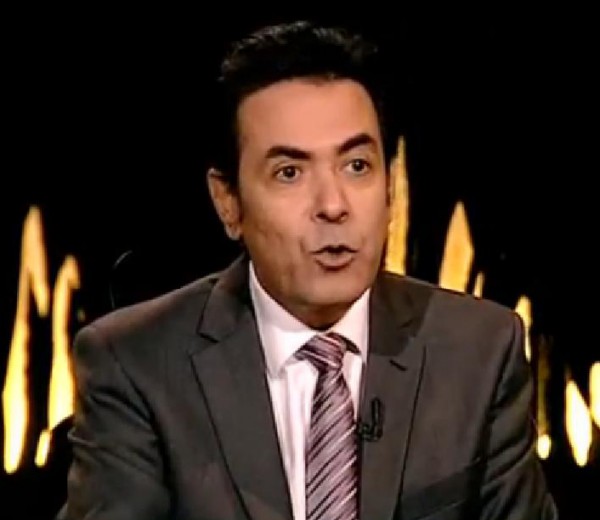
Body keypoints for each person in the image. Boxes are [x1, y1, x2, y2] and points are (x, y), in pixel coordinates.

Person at [57, 20, 557, 520]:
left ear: (390, 187)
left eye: (357, 166)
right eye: (289, 173)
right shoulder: (138, 365)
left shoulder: (480, 352)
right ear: (228, 201)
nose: (333, 205)